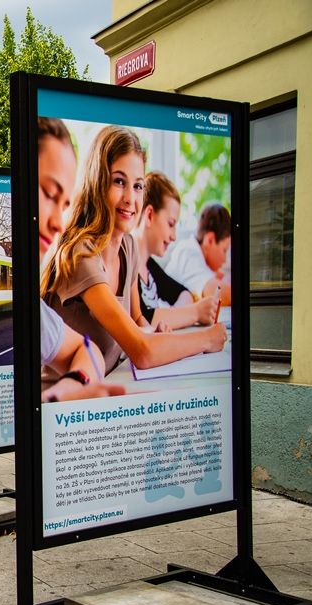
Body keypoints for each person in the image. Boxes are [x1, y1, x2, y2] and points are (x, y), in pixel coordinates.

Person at [42, 125, 226, 376]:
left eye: (138, 186)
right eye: (119, 181)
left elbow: (139, 323)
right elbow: (142, 352)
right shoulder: (80, 254)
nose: (131, 198)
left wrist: (154, 334)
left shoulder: (128, 248)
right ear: (97, 183)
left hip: (109, 386)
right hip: (66, 402)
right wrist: (206, 339)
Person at [36, 117, 125, 402]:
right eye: (50, 194)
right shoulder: (79, 254)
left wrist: (70, 387)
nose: (57, 223)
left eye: (63, 204)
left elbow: (87, 349)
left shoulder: (32, 312)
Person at [134, 172, 218, 329]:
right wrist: (195, 313)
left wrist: (173, 317)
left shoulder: (149, 266)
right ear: (150, 215)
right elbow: (144, 317)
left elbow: (183, 294)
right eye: (170, 224)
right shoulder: (128, 266)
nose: (174, 236)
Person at [161, 202, 232, 306]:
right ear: (210, 240)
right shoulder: (188, 252)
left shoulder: (198, 258)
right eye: (224, 250)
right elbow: (221, 295)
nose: (225, 259)